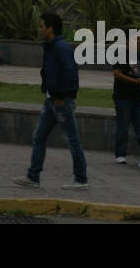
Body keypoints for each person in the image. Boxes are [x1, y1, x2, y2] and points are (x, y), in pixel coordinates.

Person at [14, 11, 88, 190]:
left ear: (50, 28)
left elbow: (71, 74)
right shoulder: (50, 47)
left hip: (60, 102)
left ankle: (81, 179)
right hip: (51, 100)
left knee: (72, 140)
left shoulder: (61, 48)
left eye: (42, 26)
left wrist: (61, 97)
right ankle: (33, 177)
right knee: (39, 136)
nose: (39, 29)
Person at [112, 39, 140, 169]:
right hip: (123, 97)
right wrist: (134, 81)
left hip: (139, 97)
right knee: (123, 126)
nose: (138, 43)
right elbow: (117, 74)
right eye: (136, 40)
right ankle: (120, 154)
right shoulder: (120, 53)